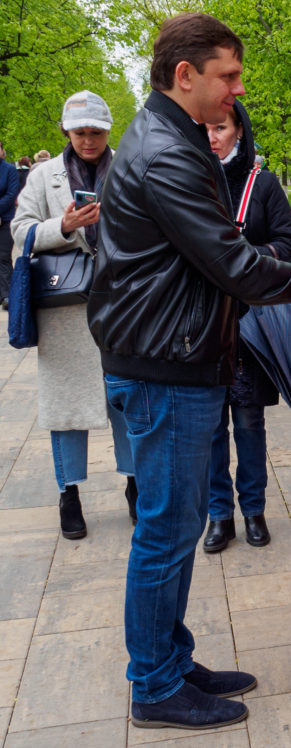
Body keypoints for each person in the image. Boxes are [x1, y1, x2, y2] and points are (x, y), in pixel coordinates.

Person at [86, 13, 291, 730]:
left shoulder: (169, 139)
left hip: (168, 358)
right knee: (166, 531)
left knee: (173, 527)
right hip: (164, 367)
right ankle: (153, 682)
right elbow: (234, 264)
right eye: (229, 77)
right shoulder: (167, 153)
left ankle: (171, 659)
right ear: (186, 76)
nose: (237, 92)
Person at [10, 91, 136, 538]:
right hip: (64, 308)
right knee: (66, 407)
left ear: (108, 131)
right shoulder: (44, 176)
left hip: (122, 303)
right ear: (67, 131)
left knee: (126, 398)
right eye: (81, 133)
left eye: (97, 133)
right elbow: (20, 229)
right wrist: (63, 226)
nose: (89, 141)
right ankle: (69, 493)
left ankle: (134, 483)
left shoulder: (127, 165)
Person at [202, 100, 291, 553]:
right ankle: (218, 515)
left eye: (220, 127)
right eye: (204, 127)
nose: (212, 136)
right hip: (200, 323)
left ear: (239, 130)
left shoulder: (262, 185)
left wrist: (249, 254)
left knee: (248, 422)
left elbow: (288, 242)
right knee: (208, 428)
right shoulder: (188, 179)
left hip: (248, 324)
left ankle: (254, 510)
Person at [0, 140, 18, 310]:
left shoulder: (9, 170)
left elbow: (12, 193)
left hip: (5, 219)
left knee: (3, 256)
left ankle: (7, 294)